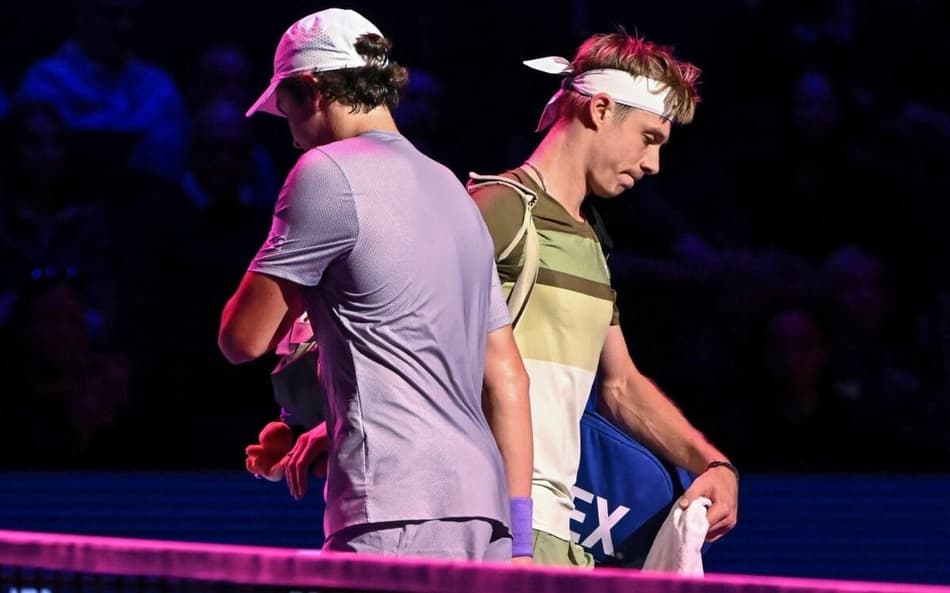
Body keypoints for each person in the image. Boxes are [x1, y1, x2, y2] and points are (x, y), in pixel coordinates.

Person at [217, 8, 533, 562]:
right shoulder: (454, 190)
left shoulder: (325, 173)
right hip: (485, 516)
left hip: (394, 508)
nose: (289, 135)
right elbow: (507, 375)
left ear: (312, 88)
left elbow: (241, 339)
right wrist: (523, 541)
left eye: (284, 108)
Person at [466, 29, 739, 567]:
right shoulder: (495, 208)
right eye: (649, 137)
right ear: (600, 108)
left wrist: (714, 466)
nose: (653, 163)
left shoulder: (588, 242)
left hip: (554, 527)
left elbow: (619, 385)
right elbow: (400, 327)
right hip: (485, 521)